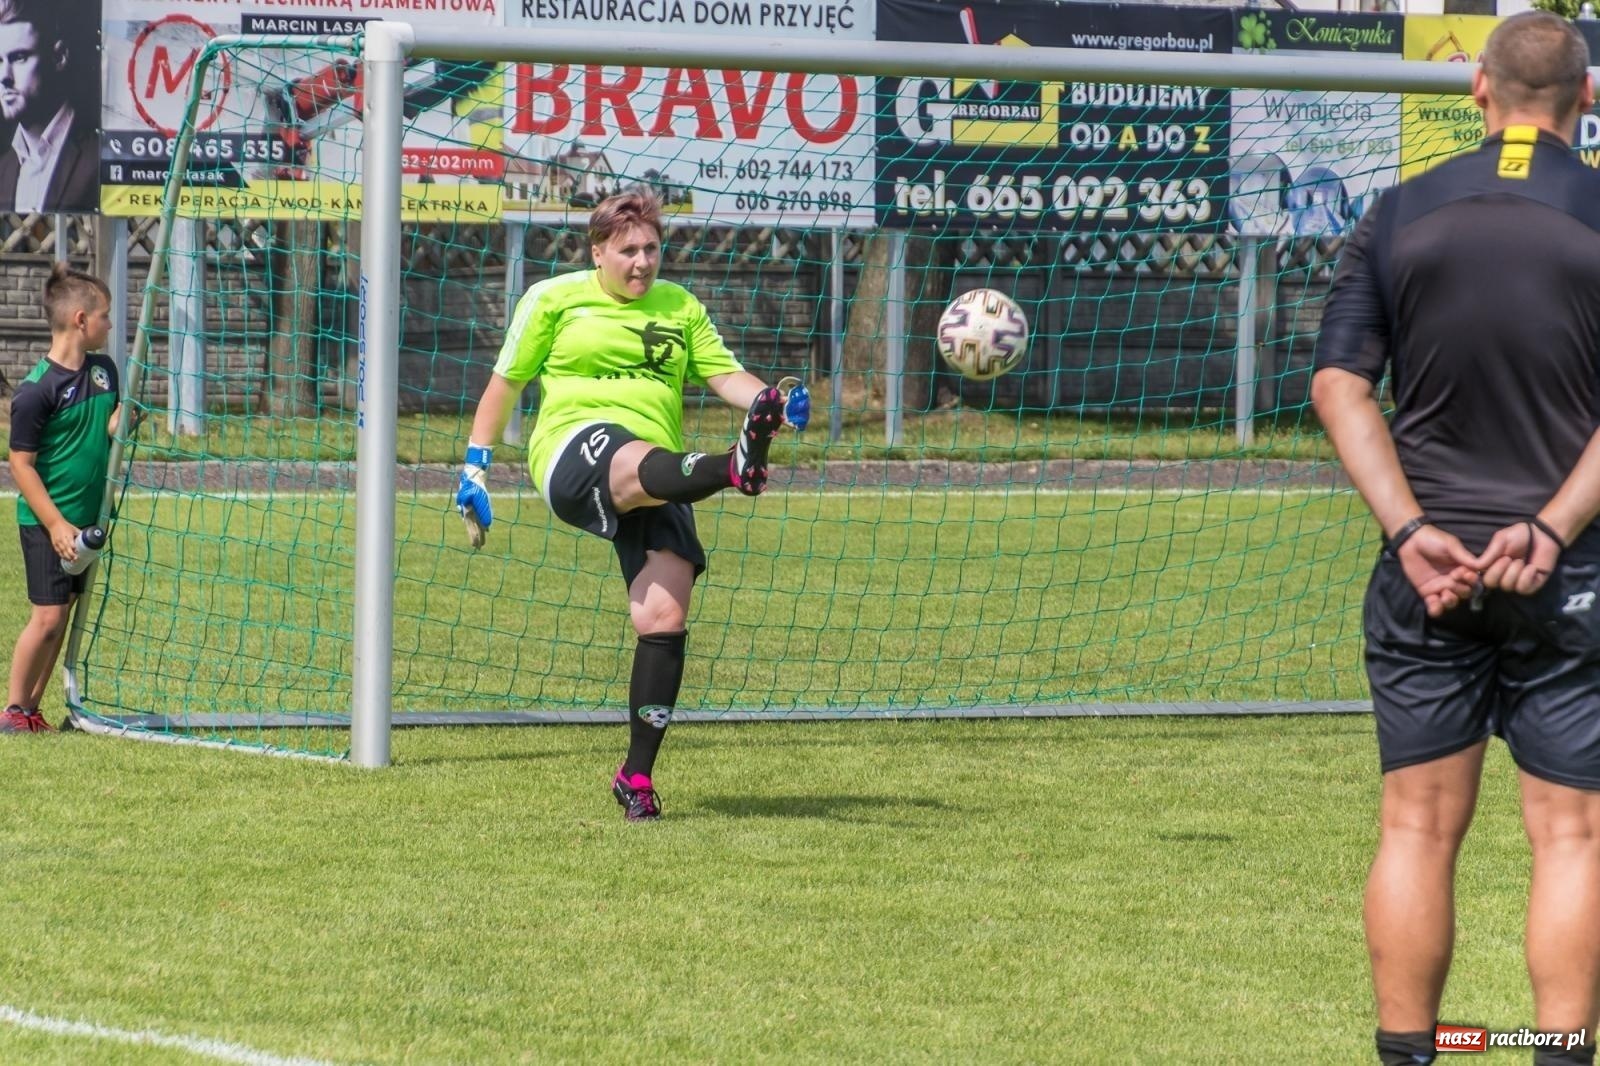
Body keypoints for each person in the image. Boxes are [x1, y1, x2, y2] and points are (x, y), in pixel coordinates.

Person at [1312, 12, 1600, 1066]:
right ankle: (1553, 1054)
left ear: (1475, 88)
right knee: (1570, 836)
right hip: (1575, 570)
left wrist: (1412, 529)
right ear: (1586, 97)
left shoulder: (1398, 212)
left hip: (1422, 572)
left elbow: (1339, 384)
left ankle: (1411, 1055)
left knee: (1417, 830)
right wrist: (1550, 526)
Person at [455, 187, 809, 822]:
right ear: (598, 252)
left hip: (663, 469)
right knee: (626, 450)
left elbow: (725, 375)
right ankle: (733, 467)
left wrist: (772, 402)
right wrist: (475, 469)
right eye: (627, 251)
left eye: (651, 249)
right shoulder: (554, 299)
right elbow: (504, 383)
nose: (642, 262)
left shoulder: (680, 306)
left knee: (664, 616)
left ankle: (635, 777)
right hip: (574, 447)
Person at [4, 264, 121, 733]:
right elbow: (21, 465)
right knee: (48, 616)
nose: (110, 325)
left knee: (65, 613)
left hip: (86, 521)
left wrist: (119, 427)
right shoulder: (36, 391)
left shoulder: (105, 372)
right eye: (105, 317)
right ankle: (13, 710)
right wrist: (54, 524)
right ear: (80, 320)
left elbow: (104, 428)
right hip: (47, 522)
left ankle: (33, 711)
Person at [0, 0, 96, 214]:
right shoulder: (4, 168)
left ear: (59, 57)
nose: (4, 77)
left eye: (19, 57)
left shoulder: (98, 155)